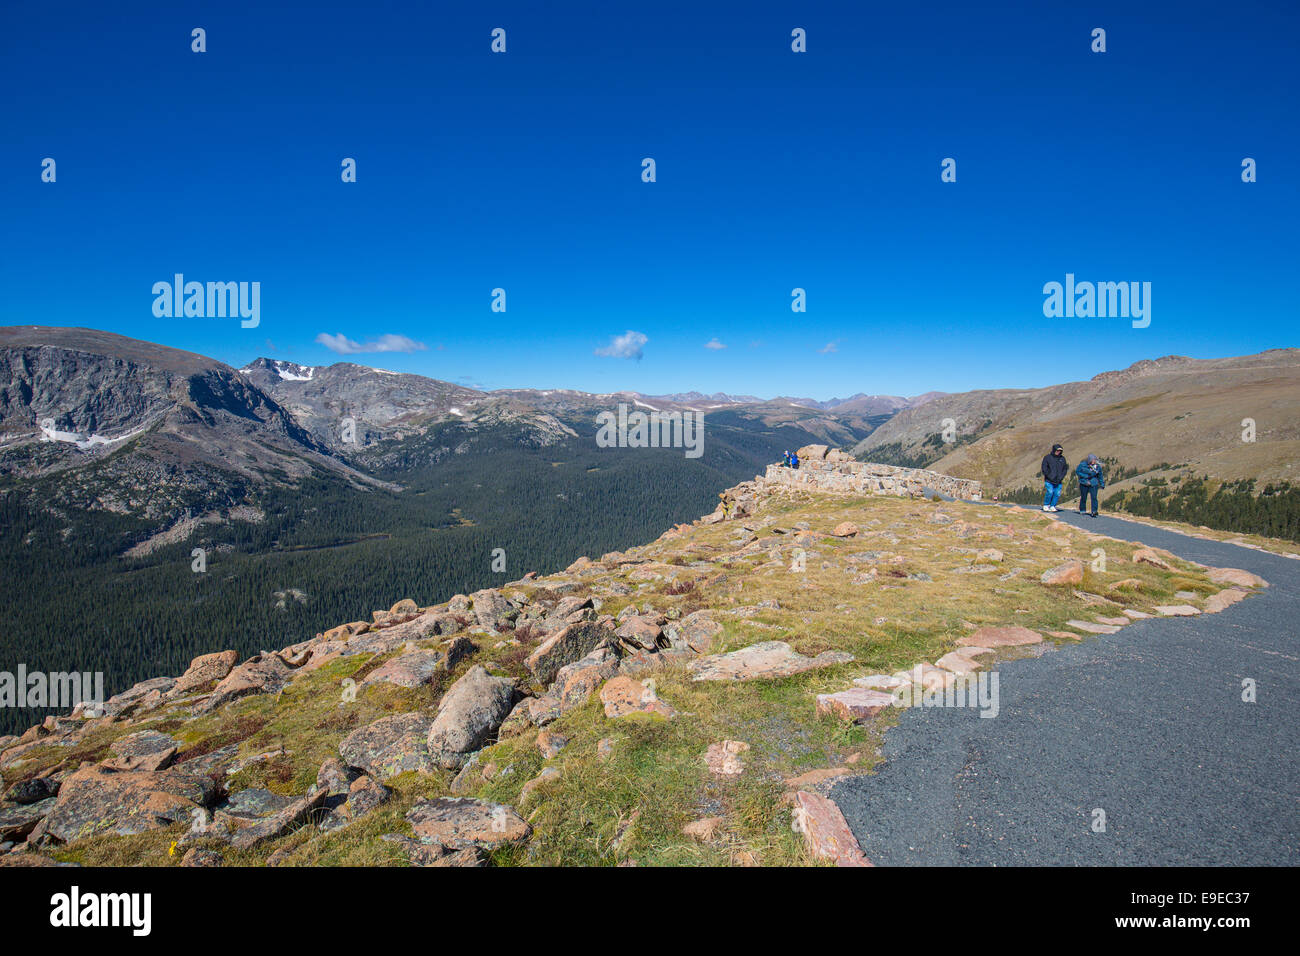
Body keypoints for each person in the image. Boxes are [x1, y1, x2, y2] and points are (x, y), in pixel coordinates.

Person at [1040, 443, 1068, 512]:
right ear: (1054, 450)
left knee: (1057, 494)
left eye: (1060, 451)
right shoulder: (1047, 458)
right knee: (1050, 492)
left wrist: (1061, 477)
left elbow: (1065, 469)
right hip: (1049, 480)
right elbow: (1044, 468)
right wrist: (1049, 476)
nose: (1058, 452)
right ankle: (1046, 505)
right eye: (1057, 450)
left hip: (1059, 480)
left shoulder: (1062, 459)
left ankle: (1053, 506)